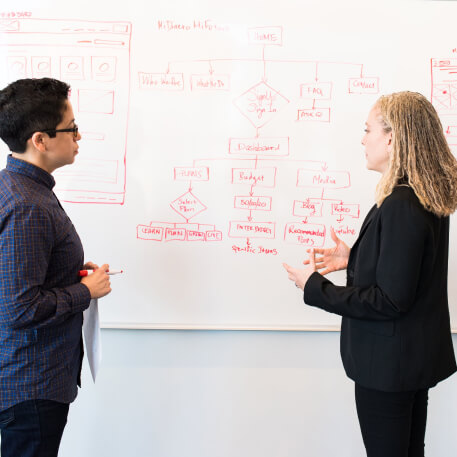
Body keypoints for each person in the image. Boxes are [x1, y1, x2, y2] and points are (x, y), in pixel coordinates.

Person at [283, 91, 457, 457]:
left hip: (389, 368)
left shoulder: (401, 204)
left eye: (368, 130)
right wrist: (355, 257)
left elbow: (389, 300)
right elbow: (411, 271)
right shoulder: (424, 197)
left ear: (392, 139)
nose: (363, 140)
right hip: (409, 362)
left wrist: (314, 286)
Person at [0, 78, 112, 457]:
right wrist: (85, 291)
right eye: (71, 128)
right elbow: (20, 307)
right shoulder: (27, 205)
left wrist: (70, 274)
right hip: (30, 385)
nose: (78, 137)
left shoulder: (20, 189)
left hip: (26, 379)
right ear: (40, 140)